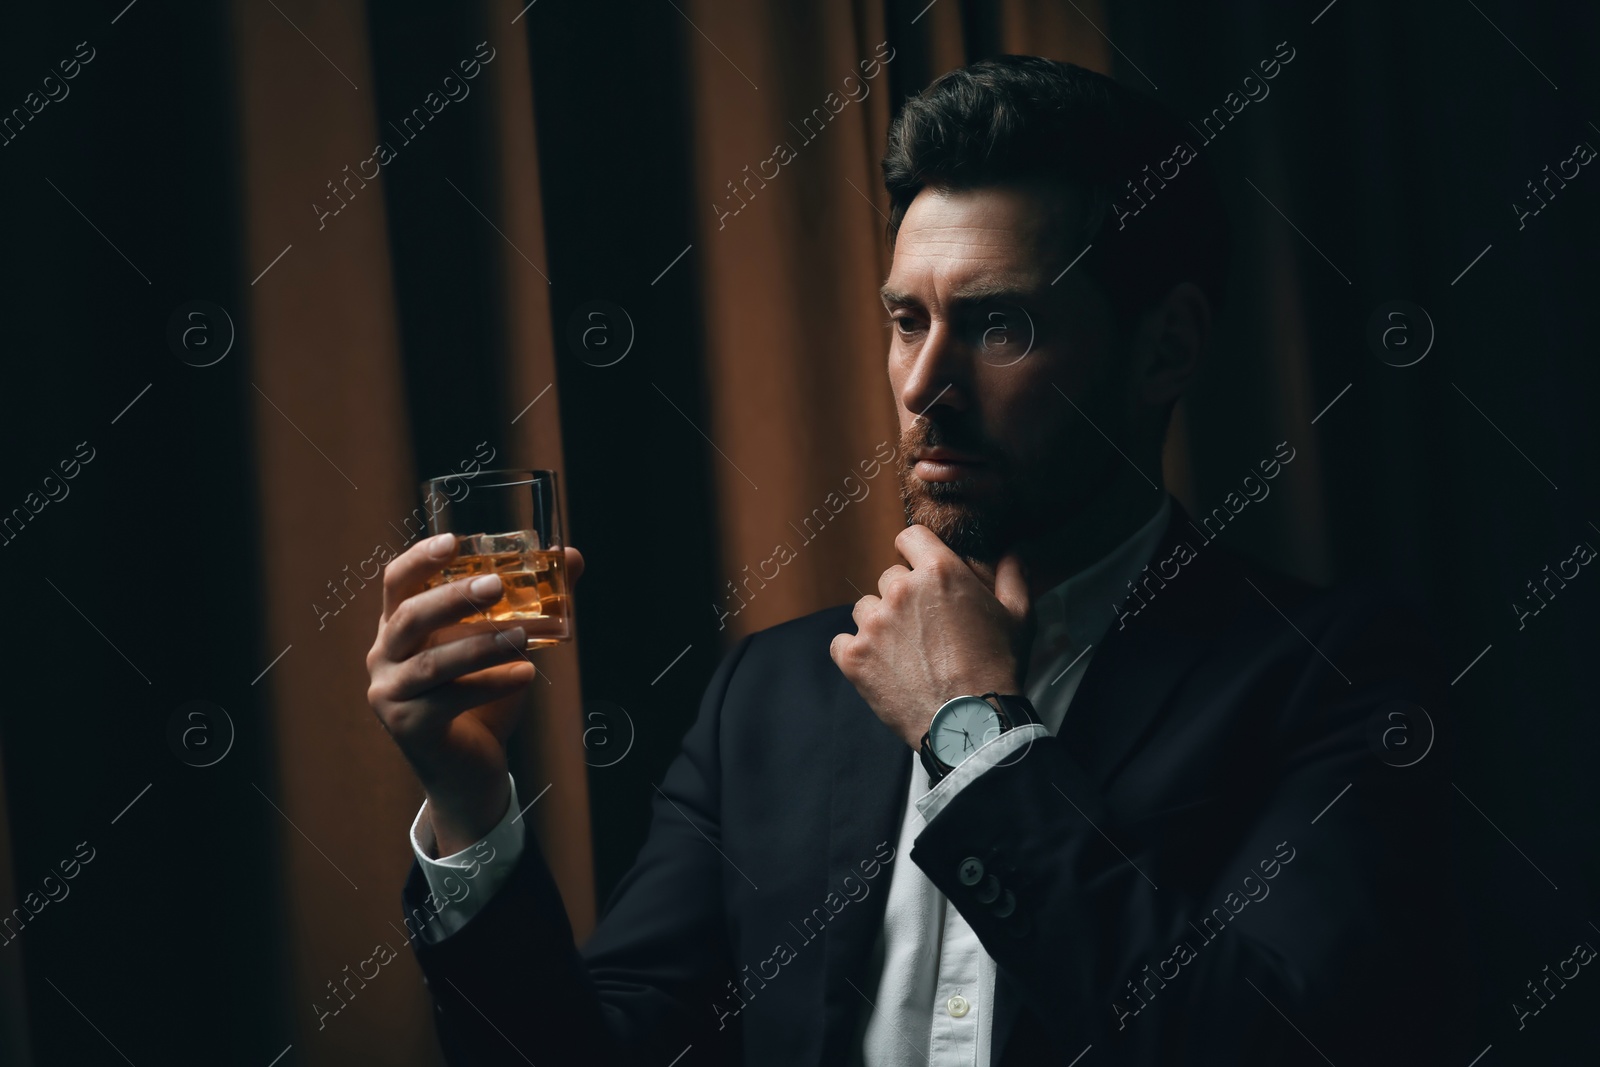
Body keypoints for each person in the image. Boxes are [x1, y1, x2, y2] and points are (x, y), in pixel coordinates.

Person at [365, 55, 1458, 1066]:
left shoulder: (1338, 675)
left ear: (1164, 346)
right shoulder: (771, 696)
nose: (922, 384)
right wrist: (469, 805)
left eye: (997, 325)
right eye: (904, 319)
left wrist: (973, 737)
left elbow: (1262, 1041)